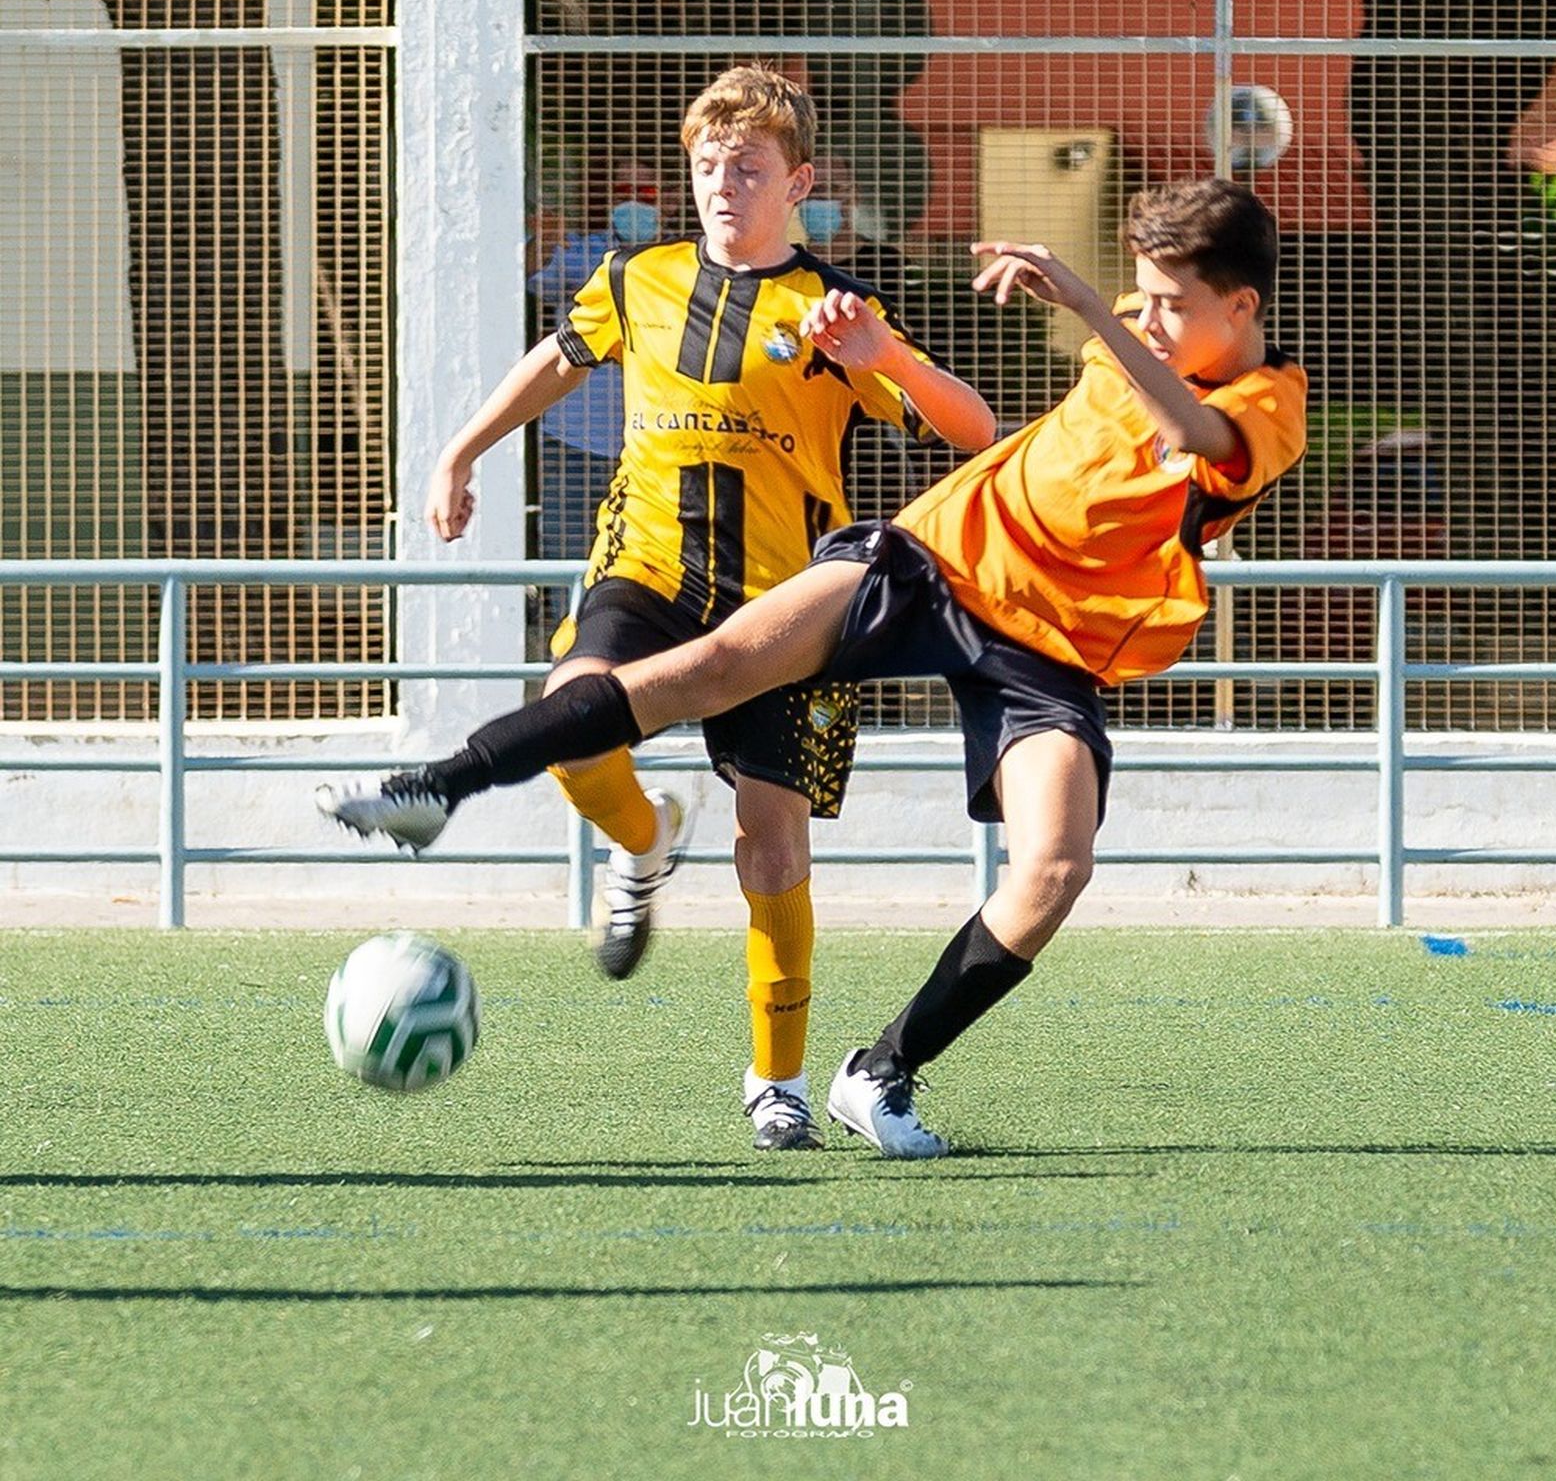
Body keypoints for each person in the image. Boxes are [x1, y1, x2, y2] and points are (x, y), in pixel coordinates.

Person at [321, 177, 1305, 1158]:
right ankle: (438, 786)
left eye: (1173, 303)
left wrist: (1092, 304)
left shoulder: (1270, 405)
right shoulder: (1150, 320)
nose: (1152, 315)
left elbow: (1190, 432)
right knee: (711, 667)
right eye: (1142, 295)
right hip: (935, 560)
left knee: (1053, 867)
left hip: (1051, 648)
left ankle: (879, 1071)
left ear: (1242, 307)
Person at [321, 65, 996, 1153]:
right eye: (707, 166)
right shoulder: (638, 277)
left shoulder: (832, 309)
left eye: (748, 167)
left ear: (798, 183)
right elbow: (558, 359)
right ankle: (640, 846)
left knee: (768, 846)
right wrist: (459, 449)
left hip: (786, 606)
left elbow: (975, 432)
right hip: (646, 568)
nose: (722, 184)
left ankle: (775, 1081)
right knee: (572, 709)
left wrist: (881, 355)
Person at [526, 161, 669, 560]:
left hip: (653, 439)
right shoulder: (585, 251)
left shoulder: (685, 259)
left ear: (671, 201)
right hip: (574, 438)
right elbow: (530, 276)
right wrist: (543, 241)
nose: (634, 203)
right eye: (624, 193)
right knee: (568, 551)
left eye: (647, 195)